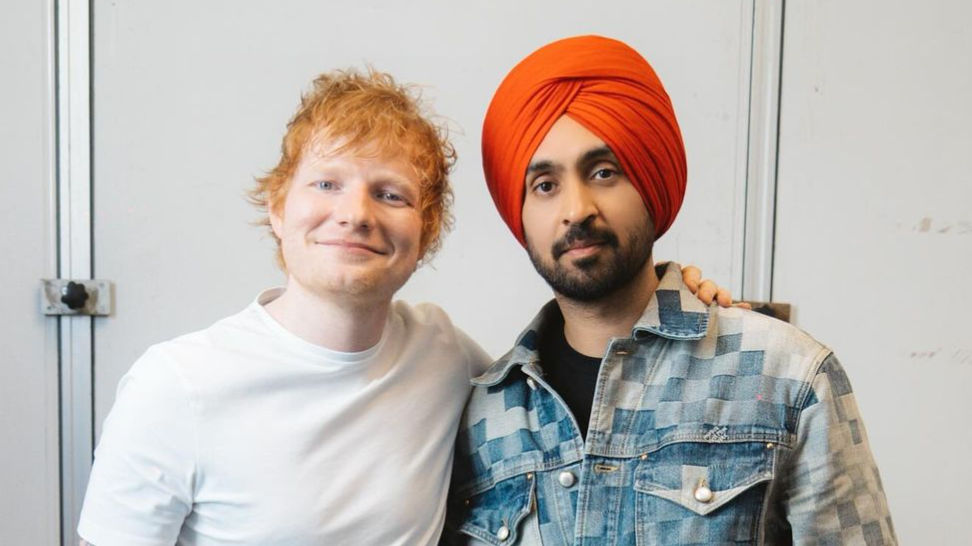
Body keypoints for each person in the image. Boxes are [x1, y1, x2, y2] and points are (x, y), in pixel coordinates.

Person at [77, 68, 728, 545]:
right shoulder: (175, 387)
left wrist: (680, 293)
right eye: (327, 182)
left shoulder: (443, 356)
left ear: (426, 230)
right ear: (278, 207)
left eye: (389, 194)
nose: (355, 214)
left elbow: (566, 381)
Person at [443, 36, 895, 545]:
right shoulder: (480, 416)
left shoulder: (787, 376)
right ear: (518, 214)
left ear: (652, 183)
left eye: (604, 172)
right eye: (544, 185)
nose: (577, 208)